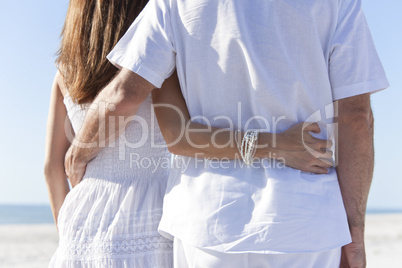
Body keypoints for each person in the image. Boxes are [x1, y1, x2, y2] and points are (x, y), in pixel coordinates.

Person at [65, 0, 389, 267]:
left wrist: (80, 149)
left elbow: (124, 95)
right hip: (305, 220)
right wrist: (354, 228)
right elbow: (357, 120)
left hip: (208, 221)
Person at [44, 0, 174, 266]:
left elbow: (51, 166)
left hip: (84, 209)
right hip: (151, 207)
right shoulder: (158, 59)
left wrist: (67, 227)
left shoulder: (65, 72)